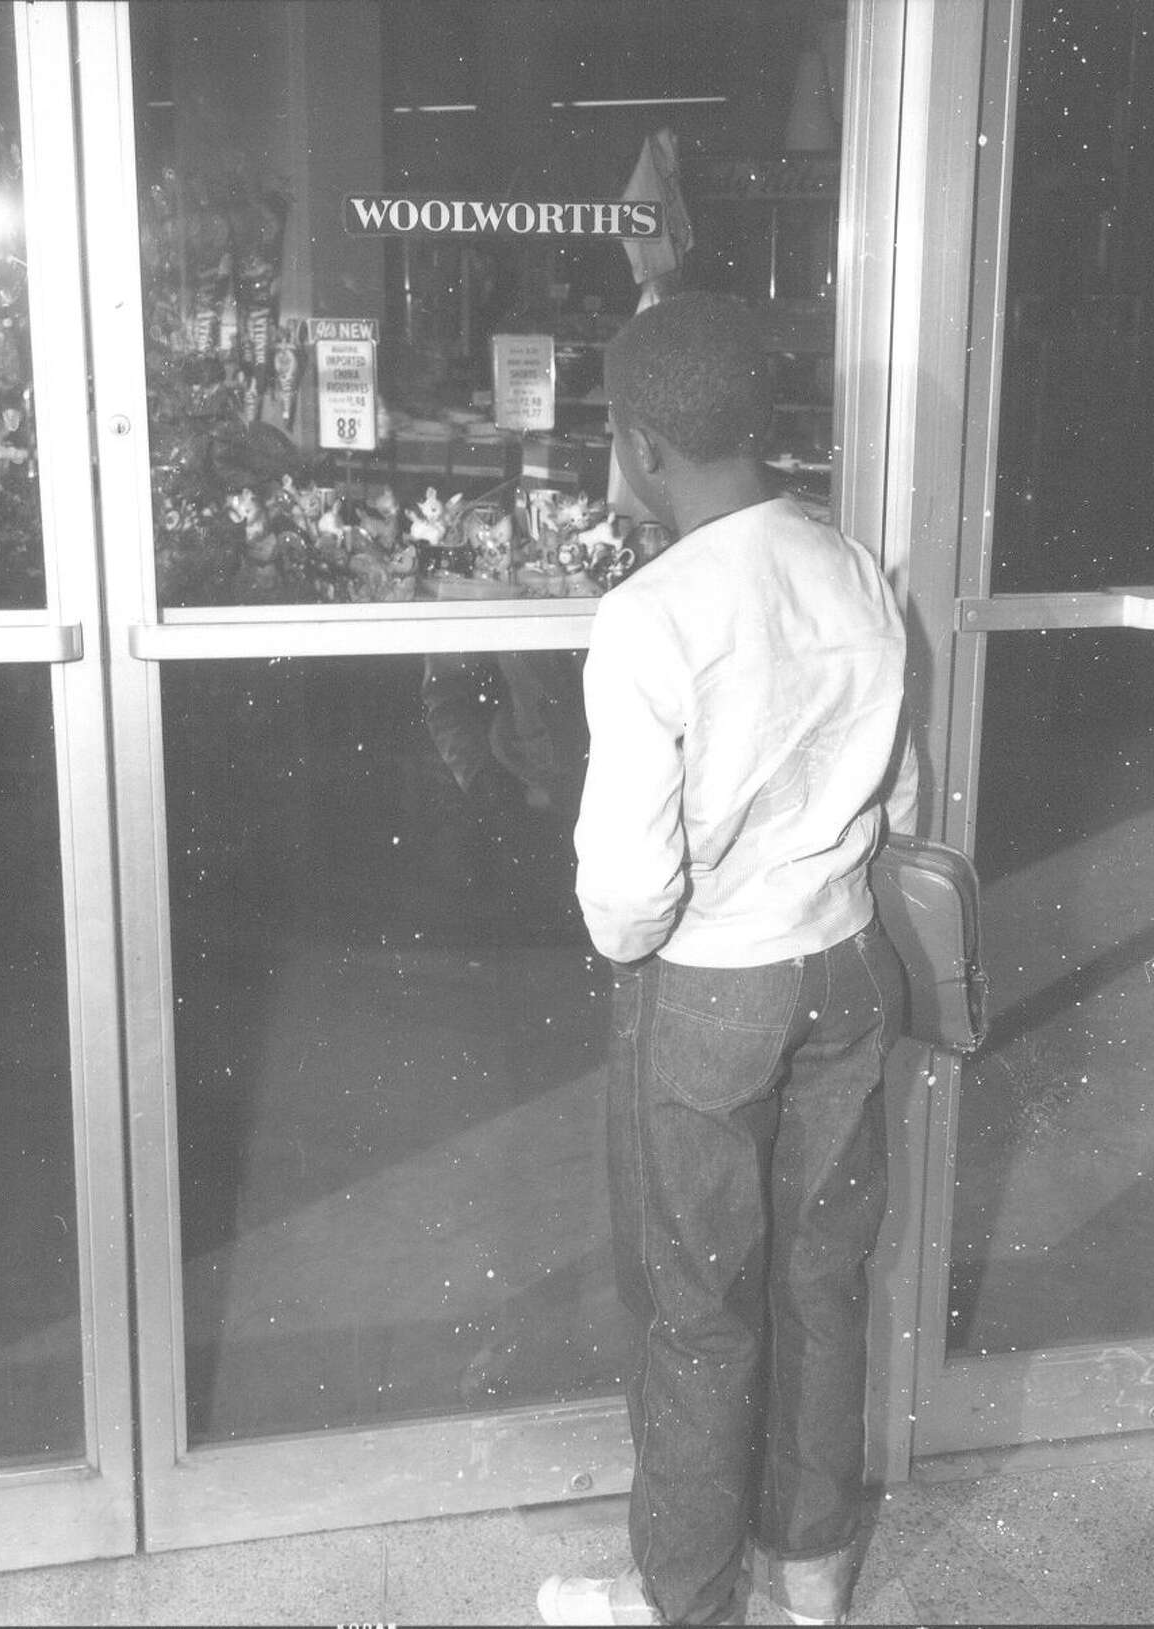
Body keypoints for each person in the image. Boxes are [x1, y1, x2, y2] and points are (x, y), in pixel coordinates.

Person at [536, 291, 917, 1628]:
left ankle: (684, 1600)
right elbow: (899, 794)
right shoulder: (858, 567)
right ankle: (807, 1579)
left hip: (709, 994)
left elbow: (627, 900)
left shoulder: (653, 614)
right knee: (820, 1280)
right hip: (849, 968)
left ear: (640, 444)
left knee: (697, 1305)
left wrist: (650, 931)